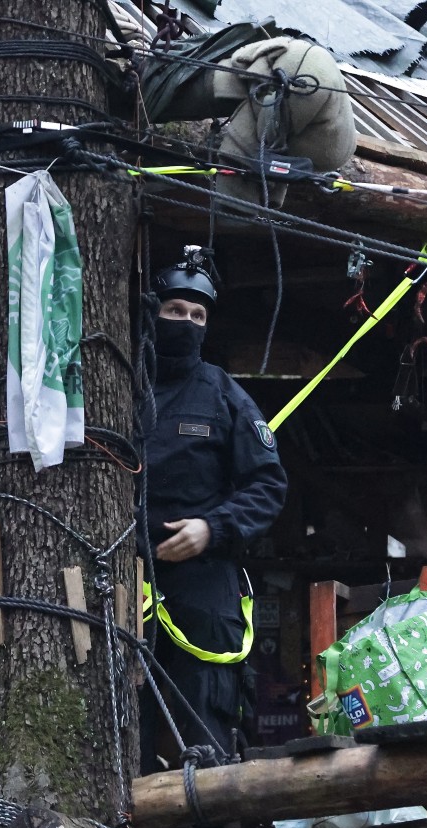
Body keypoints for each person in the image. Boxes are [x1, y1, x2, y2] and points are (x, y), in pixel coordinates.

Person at [138, 249, 287, 772]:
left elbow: (268, 485)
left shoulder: (225, 395)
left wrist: (212, 527)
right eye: (175, 310)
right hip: (120, 580)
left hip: (203, 585)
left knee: (201, 732)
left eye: (198, 315)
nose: (186, 323)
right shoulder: (117, 387)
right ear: (151, 312)